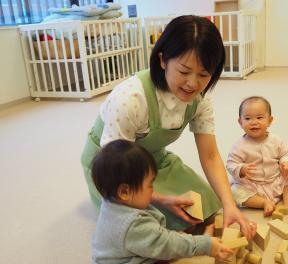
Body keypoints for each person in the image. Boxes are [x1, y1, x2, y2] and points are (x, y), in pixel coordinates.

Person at [81, 15, 255, 239]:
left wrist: (229, 203)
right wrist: (157, 198)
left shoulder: (200, 100)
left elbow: (210, 156)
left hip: (152, 161)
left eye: (203, 74)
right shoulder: (130, 98)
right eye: (184, 72)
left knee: (206, 202)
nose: (193, 84)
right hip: (112, 170)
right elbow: (114, 168)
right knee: (143, 230)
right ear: (163, 60)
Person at [91, 139, 233, 264]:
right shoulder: (132, 224)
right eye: (150, 185)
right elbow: (167, 243)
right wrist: (205, 245)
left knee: (170, 240)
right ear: (124, 191)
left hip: (124, 262)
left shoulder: (113, 200)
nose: (154, 190)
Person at [226, 96, 288, 216]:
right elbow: (230, 164)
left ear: (269, 120)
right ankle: (263, 202)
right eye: (248, 118)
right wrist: (241, 169)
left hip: (275, 179)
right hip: (252, 185)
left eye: (259, 117)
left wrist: (286, 164)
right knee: (234, 191)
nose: (254, 122)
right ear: (240, 122)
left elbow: (286, 154)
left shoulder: (276, 140)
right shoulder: (238, 146)